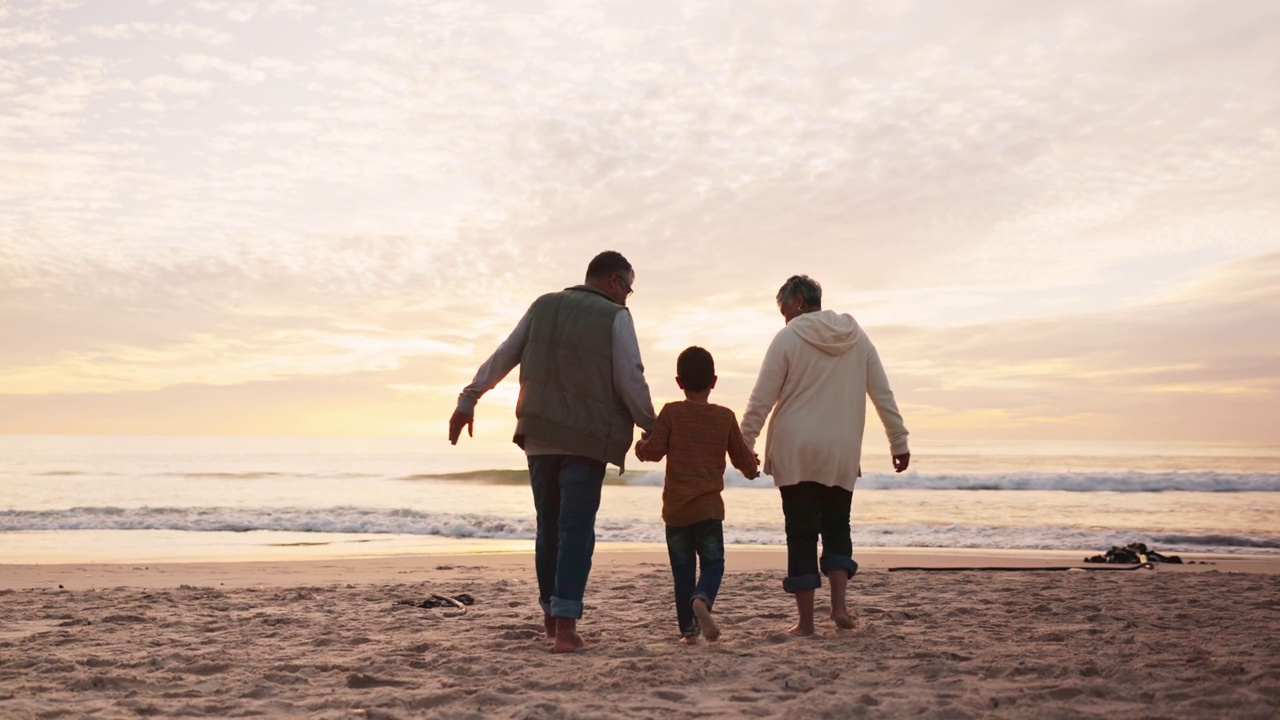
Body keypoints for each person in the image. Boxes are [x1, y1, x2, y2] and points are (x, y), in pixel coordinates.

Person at [448, 251, 656, 653]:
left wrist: (468, 398)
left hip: (539, 437)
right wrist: (653, 426)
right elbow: (630, 376)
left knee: (549, 528)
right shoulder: (615, 316)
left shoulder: (543, 305)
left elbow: (505, 353)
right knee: (575, 532)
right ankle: (565, 630)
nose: (628, 297)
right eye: (628, 288)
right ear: (614, 280)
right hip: (585, 441)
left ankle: (550, 617)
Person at [741, 274, 910, 637]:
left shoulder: (787, 337)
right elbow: (882, 392)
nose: (784, 318)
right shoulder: (857, 337)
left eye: (784, 309)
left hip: (795, 450)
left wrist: (744, 444)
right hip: (841, 450)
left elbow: (762, 397)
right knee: (837, 526)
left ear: (799, 303)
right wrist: (898, 440)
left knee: (800, 532)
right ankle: (839, 608)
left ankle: (805, 624)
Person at [634, 346, 758, 645]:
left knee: (683, 572)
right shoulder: (724, 417)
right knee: (713, 563)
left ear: (679, 382)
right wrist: (754, 467)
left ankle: (688, 633)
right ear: (713, 381)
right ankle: (703, 600)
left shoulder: (672, 412)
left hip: (676, 511)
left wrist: (640, 445)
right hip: (709, 510)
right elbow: (745, 462)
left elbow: (652, 453)